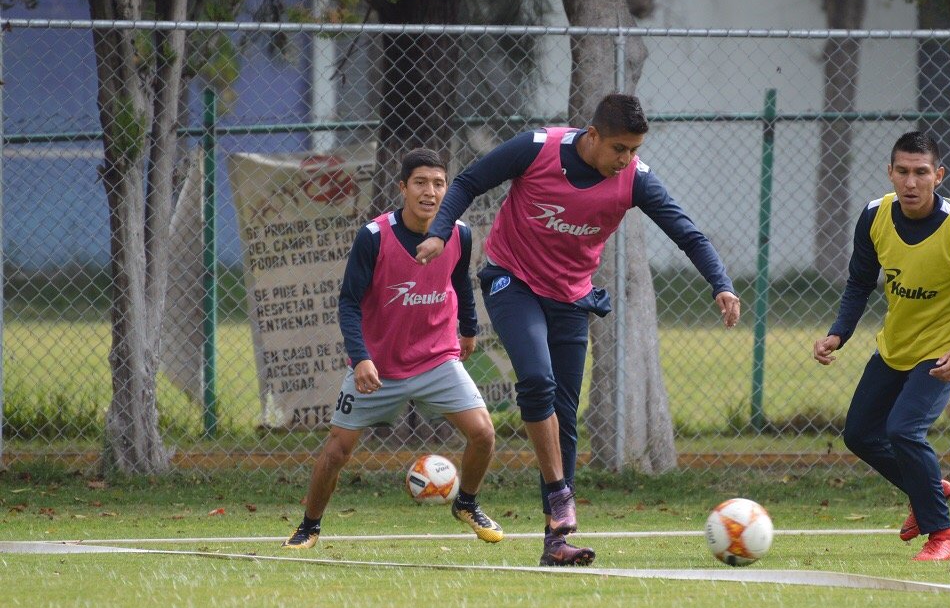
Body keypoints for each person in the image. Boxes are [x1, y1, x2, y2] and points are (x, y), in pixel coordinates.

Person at [416, 93, 740, 566]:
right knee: (537, 380)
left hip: (571, 297)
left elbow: (687, 233)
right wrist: (440, 230)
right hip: (513, 280)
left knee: (564, 415)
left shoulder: (635, 179)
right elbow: (468, 181)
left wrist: (721, 284)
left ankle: (556, 544)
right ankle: (558, 492)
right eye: (619, 148)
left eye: (634, 150)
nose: (627, 159)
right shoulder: (537, 148)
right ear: (592, 136)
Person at [283, 148, 503, 549]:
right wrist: (361, 358)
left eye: (439, 184)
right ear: (402, 187)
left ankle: (467, 503)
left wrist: (469, 330)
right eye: (420, 183)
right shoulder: (373, 236)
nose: (430, 192)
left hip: (437, 359)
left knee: (484, 434)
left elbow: (460, 283)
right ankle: (309, 527)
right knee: (337, 451)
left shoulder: (459, 233)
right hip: (379, 367)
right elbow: (349, 303)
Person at [812, 131, 950, 561]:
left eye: (921, 172)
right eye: (902, 171)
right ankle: (928, 489)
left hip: (941, 352)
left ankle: (943, 537)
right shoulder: (874, 216)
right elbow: (859, 282)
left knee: (903, 429)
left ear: (938, 175)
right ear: (890, 173)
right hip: (895, 347)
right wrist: (839, 332)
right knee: (860, 434)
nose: (911, 182)